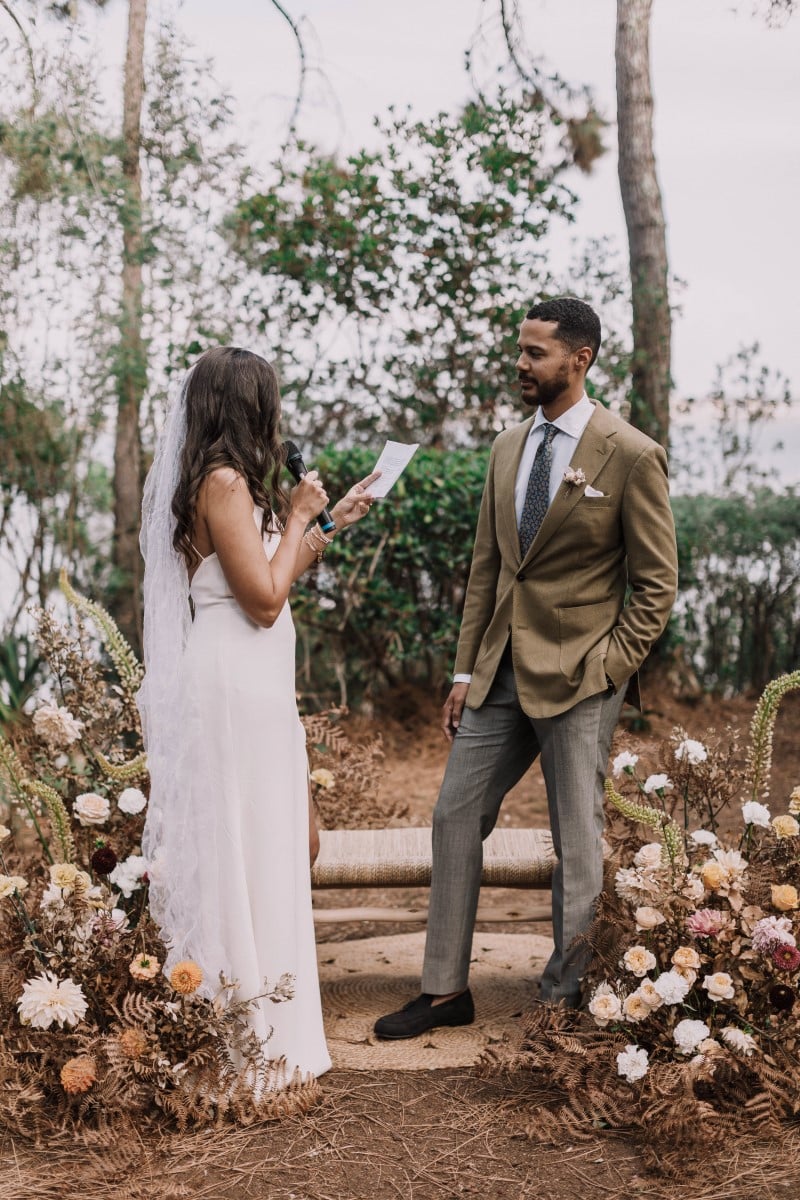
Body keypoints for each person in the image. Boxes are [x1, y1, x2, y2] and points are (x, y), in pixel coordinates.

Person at [374, 297, 678, 1038]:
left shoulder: (630, 452)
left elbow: (657, 582)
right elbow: (489, 567)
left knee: (576, 841)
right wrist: (462, 671)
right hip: (497, 672)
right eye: (520, 350)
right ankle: (445, 990)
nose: (520, 364)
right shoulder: (508, 446)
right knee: (454, 817)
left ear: (580, 359)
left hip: (580, 677)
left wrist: (609, 667)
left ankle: (561, 1000)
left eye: (536, 353)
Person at [138, 346, 378, 1084]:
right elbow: (265, 602)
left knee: (271, 838)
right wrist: (303, 511)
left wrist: (326, 523)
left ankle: (267, 1017)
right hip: (235, 683)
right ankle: (249, 1031)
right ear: (249, 407)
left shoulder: (223, 484)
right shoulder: (224, 482)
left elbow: (270, 579)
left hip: (253, 681)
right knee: (248, 840)